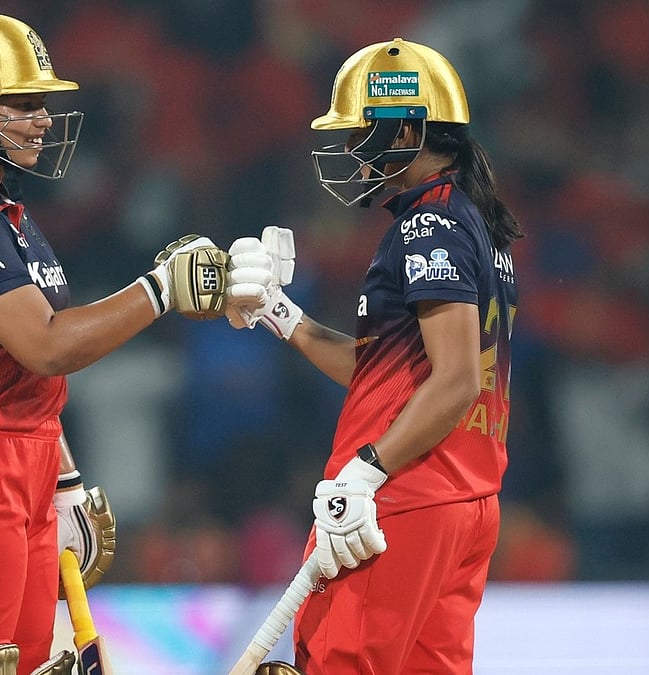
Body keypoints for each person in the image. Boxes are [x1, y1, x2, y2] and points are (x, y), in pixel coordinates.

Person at [0, 12, 228, 675]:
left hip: (14, 460)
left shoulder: (6, 215)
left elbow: (27, 376)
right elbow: (47, 347)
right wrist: (160, 290)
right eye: (23, 103)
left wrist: (65, 480)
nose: (44, 118)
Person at [226, 38, 522, 674]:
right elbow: (387, 378)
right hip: (465, 501)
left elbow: (455, 382)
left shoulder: (427, 226)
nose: (355, 155)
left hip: (405, 493)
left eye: (364, 132)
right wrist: (283, 315)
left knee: (340, 662)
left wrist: (366, 470)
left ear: (410, 129)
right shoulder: (474, 223)